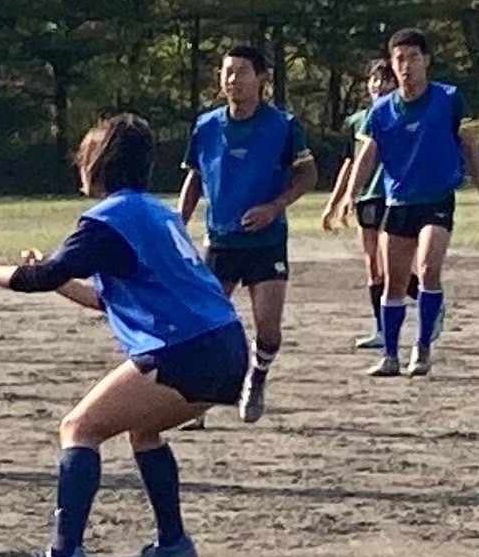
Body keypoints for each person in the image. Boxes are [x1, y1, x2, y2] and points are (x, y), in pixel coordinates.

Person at [0, 114, 247, 557]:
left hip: (187, 348)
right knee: (143, 430)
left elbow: (42, 277)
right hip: (226, 345)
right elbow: (104, 298)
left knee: (79, 428)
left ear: (99, 163)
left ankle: (64, 555)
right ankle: (173, 543)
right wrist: (57, 278)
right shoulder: (156, 213)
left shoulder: (109, 219)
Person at [177, 45, 316, 429]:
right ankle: (198, 402)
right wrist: (178, 222)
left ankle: (257, 376)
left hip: (265, 242)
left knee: (268, 329)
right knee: (204, 325)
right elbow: (195, 178)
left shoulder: (283, 125)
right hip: (220, 242)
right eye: (227, 72)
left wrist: (274, 206)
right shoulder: (206, 126)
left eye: (241, 71)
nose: (232, 79)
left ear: (261, 78)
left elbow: (308, 175)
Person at [338, 28, 479, 377]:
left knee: (429, 268)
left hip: (436, 198)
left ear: (426, 60)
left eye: (414, 58)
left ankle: (423, 347)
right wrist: (350, 194)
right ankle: (390, 355)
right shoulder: (381, 111)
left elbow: (467, 143)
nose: (407, 66)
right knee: (394, 282)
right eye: (400, 59)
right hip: (399, 200)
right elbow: (367, 155)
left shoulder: (448, 98)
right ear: (392, 63)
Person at [321, 59, 428, 349]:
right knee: (372, 265)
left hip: (391, 195)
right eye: (374, 79)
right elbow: (350, 163)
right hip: (366, 197)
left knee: (390, 263)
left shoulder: (399, 115)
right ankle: (381, 329)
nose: (379, 85)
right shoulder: (358, 121)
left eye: (386, 80)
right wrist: (336, 201)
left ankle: (429, 299)